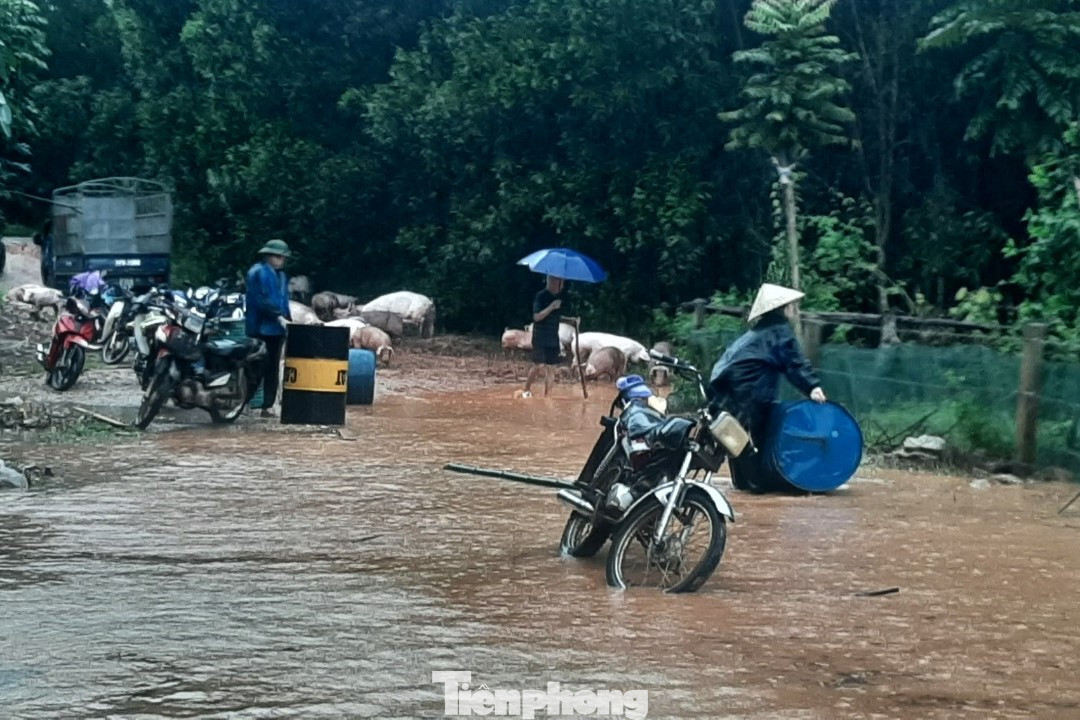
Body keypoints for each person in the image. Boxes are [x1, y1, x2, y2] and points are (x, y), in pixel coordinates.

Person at [707, 283, 827, 493]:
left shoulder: (760, 331)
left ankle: (745, 482)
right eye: (792, 306)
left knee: (736, 436)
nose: (794, 310)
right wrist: (812, 387)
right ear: (784, 309)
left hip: (724, 386)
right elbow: (794, 362)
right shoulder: (779, 331)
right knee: (758, 434)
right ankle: (759, 483)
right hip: (747, 388)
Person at [245, 239, 292, 418]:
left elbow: (284, 301)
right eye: (278, 256)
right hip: (260, 328)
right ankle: (245, 402)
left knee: (272, 368)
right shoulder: (257, 273)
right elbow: (261, 300)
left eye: (283, 257)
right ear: (269, 256)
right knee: (256, 367)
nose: (281, 260)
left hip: (277, 329)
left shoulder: (281, 276)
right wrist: (278, 316)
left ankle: (267, 406)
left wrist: (287, 320)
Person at [523, 274, 578, 398]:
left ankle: (548, 396)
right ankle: (526, 390)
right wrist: (551, 306)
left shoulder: (558, 298)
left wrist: (571, 320)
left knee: (552, 368)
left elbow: (557, 316)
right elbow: (537, 317)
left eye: (563, 283)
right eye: (560, 283)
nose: (562, 286)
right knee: (538, 365)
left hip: (553, 337)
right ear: (552, 282)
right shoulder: (540, 296)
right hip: (540, 336)